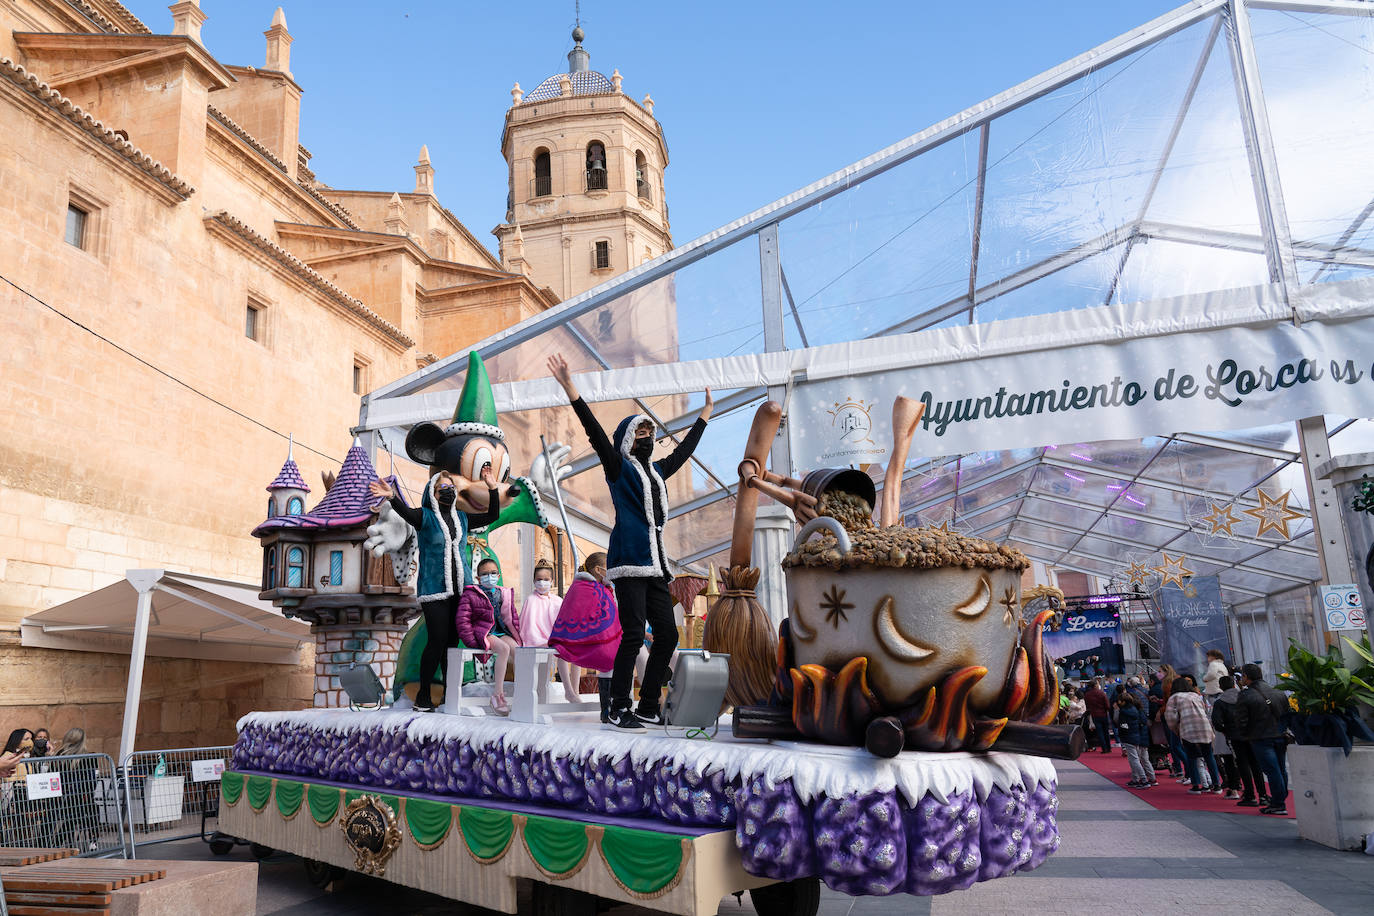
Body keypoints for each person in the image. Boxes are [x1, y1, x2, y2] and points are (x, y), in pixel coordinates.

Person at [548, 353, 712, 730]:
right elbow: (594, 433)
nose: (647, 438)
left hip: (655, 564)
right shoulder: (618, 468)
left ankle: (649, 703)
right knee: (635, 634)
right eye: (640, 433)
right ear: (626, 439)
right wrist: (570, 388)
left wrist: (704, 414)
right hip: (629, 560)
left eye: (651, 433)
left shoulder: (656, 471)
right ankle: (618, 706)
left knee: (667, 634)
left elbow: (683, 452)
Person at [370, 470, 502, 712]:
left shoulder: (462, 518)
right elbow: (407, 513)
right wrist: (391, 497)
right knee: (437, 639)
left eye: (451, 487)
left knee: (452, 643)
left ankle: (450, 695)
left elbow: (493, 514)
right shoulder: (425, 517)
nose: (448, 491)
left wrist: (492, 487)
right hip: (433, 590)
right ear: (433, 493)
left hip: (460, 591)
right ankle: (423, 695)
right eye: (443, 488)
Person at [548, 552, 621, 722]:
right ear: (598, 569)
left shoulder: (599, 587)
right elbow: (576, 614)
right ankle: (608, 710)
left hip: (592, 640)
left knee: (613, 659)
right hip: (579, 641)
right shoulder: (582, 587)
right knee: (610, 657)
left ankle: (607, 711)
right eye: (608, 568)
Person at [457, 557, 521, 714]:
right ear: (478, 578)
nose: (490, 576)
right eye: (485, 574)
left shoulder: (503, 593)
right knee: (504, 649)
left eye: (493, 573)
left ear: (498, 575)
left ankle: (522, 693)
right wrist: (472, 641)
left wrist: (517, 635)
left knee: (519, 651)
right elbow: (462, 619)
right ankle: (497, 695)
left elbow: (512, 616)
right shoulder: (471, 594)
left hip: (500, 631)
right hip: (484, 633)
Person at [520, 560, 580, 704]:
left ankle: (574, 690)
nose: (542, 583)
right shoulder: (531, 600)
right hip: (539, 639)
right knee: (555, 657)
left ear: (552, 581)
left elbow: (565, 621)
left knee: (576, 651)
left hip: (557, 638)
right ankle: (565, 692)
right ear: (534, 581)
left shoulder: (557, 600)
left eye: (546, 579)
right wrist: (541, 638)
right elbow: (528, 624)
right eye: (539, 579)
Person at [1235, 663, 1289, 815]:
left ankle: (1278, 803)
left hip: (1260, 737)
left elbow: (1241, 720)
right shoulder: (1277, 692)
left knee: (1272, 770)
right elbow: (1287, 714)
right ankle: (1280, 799)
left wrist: (1245, 735)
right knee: (1280, 769)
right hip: (1279, 735)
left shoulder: (1246, 695)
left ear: (1246, 676)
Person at [1165, 674, 1221, 794]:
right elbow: (1205, 710)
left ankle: (1196, 785)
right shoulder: (1195, 695)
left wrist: (1176, 730)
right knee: (1209, 756)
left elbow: (1171, 719)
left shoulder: (1174, 698)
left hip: (1188, 729)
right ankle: (1217, 785)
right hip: (1205, 728)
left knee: (1192, 757)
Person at [1209, 675, 1247, 800]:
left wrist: (1225, 730)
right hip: (1245, 735)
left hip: (1227, 736)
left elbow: (1216, 722)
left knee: (1229, 762)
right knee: (1245, 762)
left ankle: (1233, 789)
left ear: (1220, 686)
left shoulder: (1220, 702)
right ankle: (1249, 790)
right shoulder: (1244, 697)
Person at [1116, 691, 1154, 787]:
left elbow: (1121, 724)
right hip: (1135, 735)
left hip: (1128, 736)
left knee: (1134, 760)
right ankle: (1136, 779)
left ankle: (1144, 779)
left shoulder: (1123, 712)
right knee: (1135, 759)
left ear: (1123, 701)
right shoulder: (1134, 710)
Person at [1083, 679, 1112, 753]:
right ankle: (1108, 748)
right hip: (1103, 714)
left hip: (1094, 715)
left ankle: (1104, 748)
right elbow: (1107, 705)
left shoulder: (1087, 695)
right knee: (1106, 731)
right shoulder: (1101, 693)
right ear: (1096, 685)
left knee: (1100, 732)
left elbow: (1087, 706)